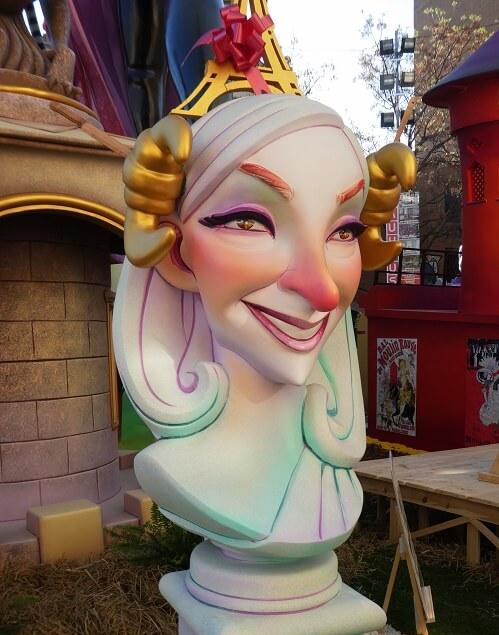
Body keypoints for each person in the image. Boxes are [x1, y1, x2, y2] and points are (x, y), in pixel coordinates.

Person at [113, 94, 413, 559]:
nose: (322, 290)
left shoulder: (335, 480)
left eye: (344, 231)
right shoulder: (178, 472)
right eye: (251, 221)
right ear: (177, 255)